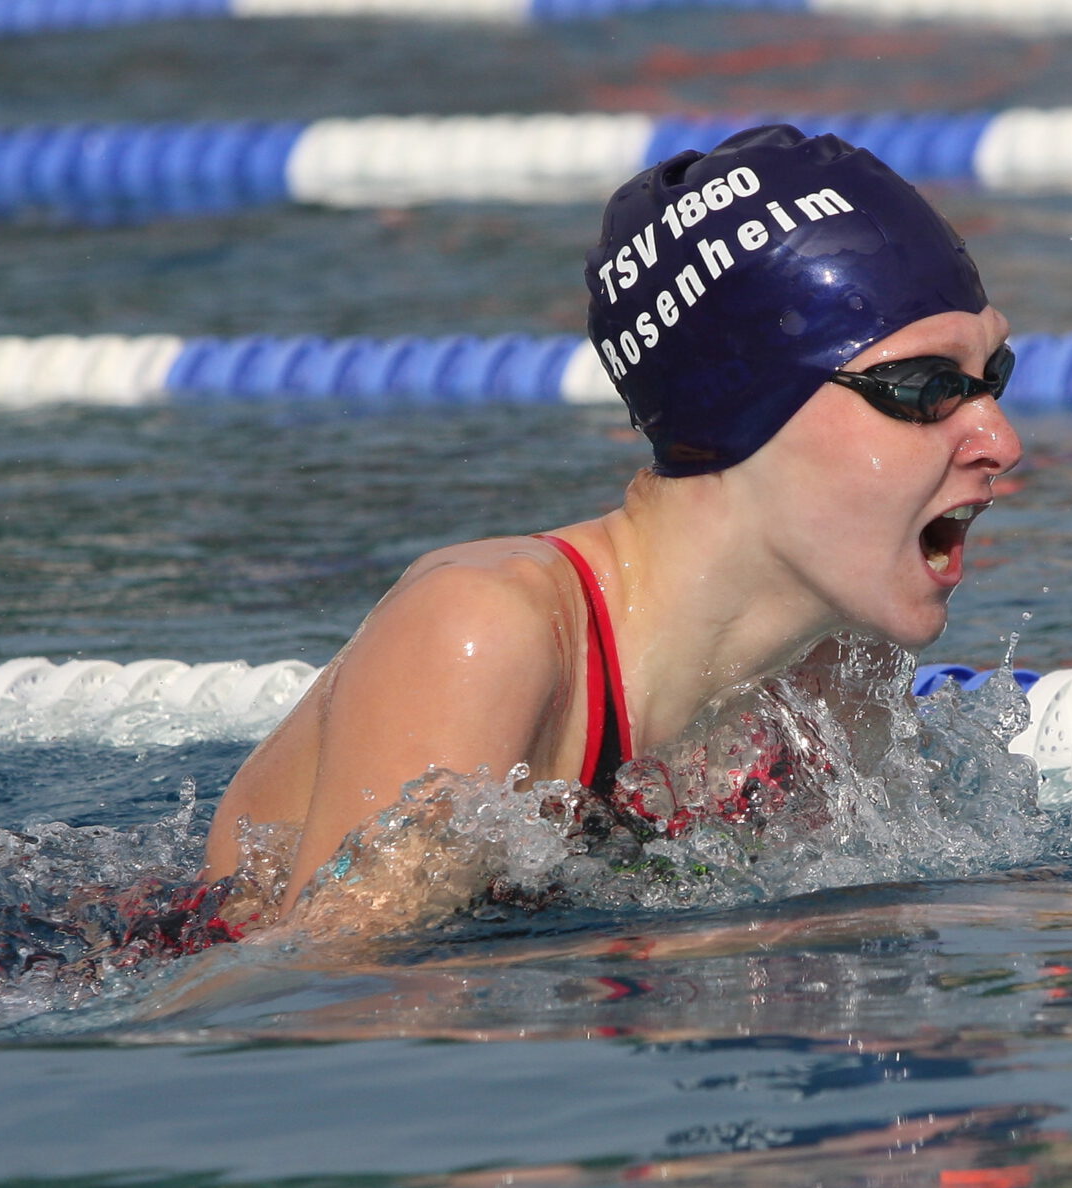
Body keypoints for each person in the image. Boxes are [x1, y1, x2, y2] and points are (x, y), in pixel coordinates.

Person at [203, 123, 1021, 934]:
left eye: (994, 379)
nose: (1001, 442)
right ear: (738, 406)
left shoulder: (838, 665)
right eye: (924, 387)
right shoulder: (484, 633)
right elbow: (332, 1000)